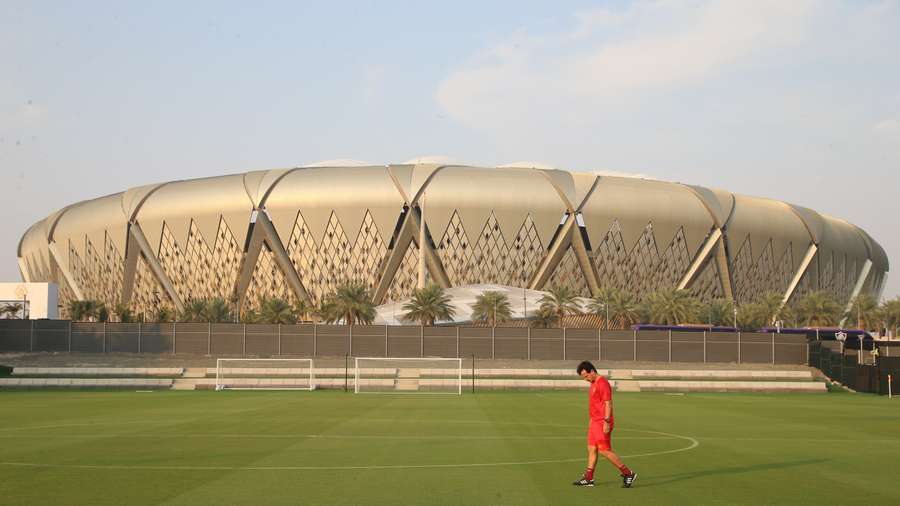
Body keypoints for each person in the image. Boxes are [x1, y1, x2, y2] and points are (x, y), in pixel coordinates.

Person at [572, 360, 637, 488]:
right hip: (594, 422)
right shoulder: (593, 382)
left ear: (592, 371)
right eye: (583, 377)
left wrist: (607, 421)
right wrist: (592, 420)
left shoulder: (602, 383)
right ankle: (589, 478)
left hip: (602, 422)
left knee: (604, 450)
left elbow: (608, 403)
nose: (585, 379)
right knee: (592, 448)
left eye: (586, 376)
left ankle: (628, 473)